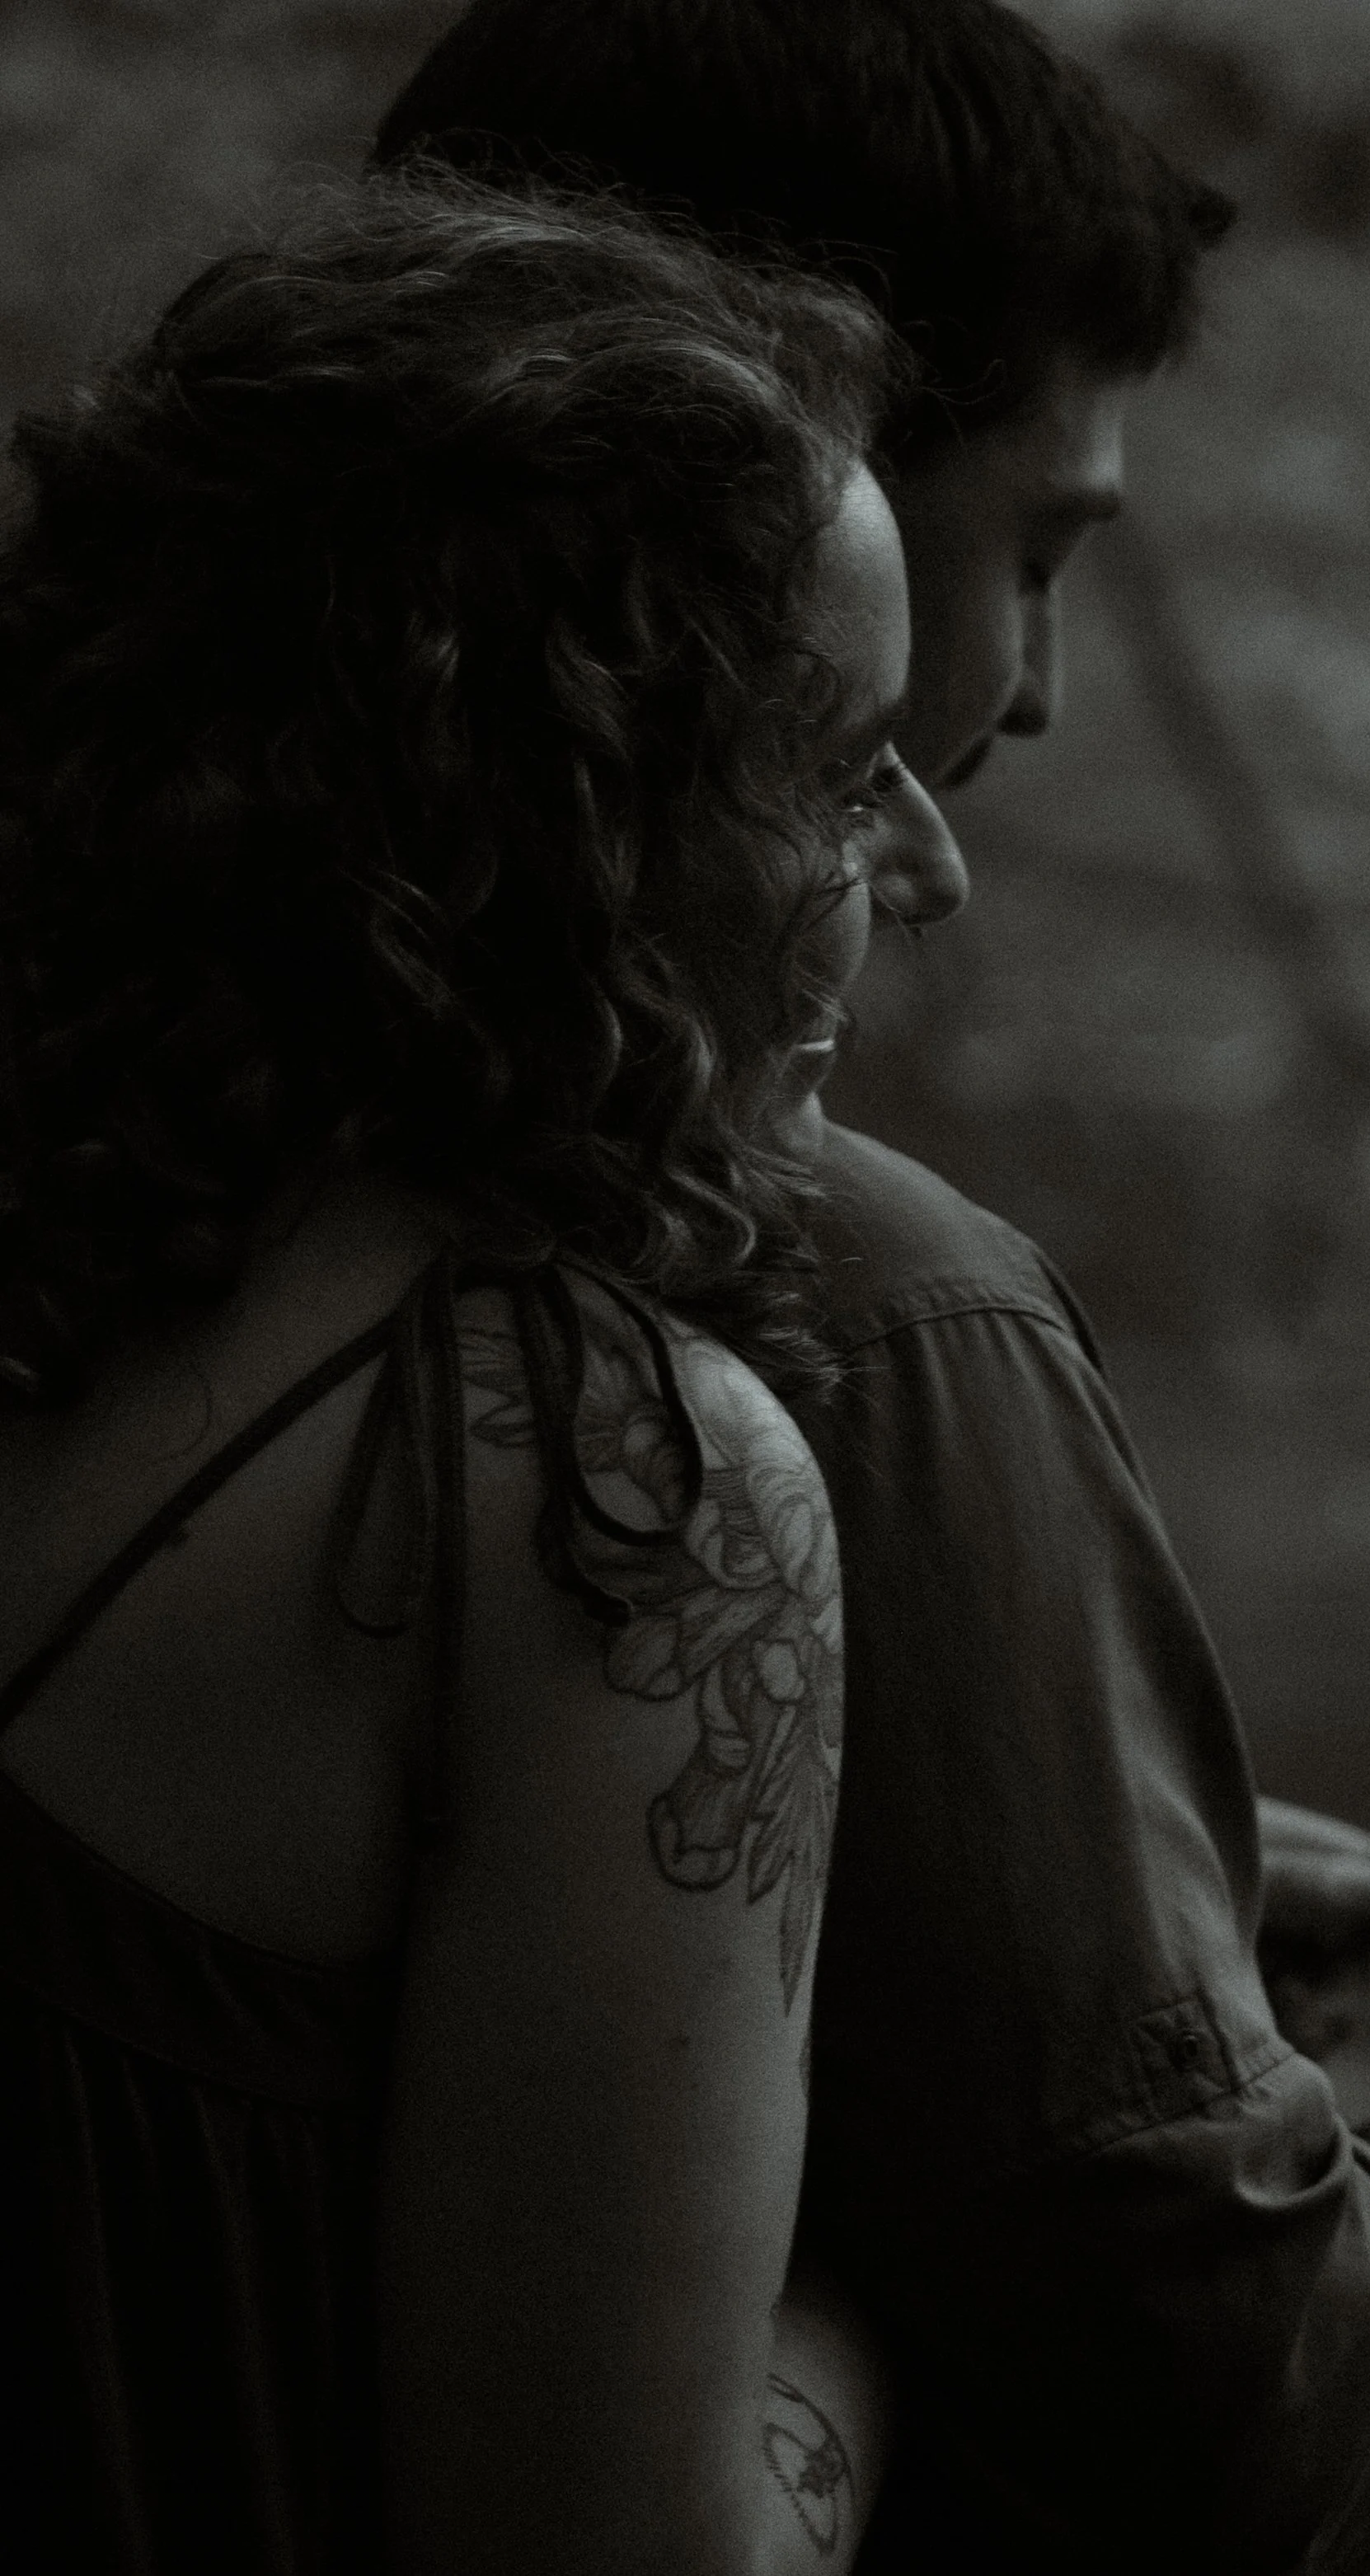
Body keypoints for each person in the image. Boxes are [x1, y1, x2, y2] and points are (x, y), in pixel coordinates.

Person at [374, 5, 1370, 2570]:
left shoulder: (148, 1161)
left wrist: (1089, 1898)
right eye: (1038, 548)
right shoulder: (856, 1307)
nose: (1035, 706)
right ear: (776, 480)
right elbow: (1205, 2365)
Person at [0, 168, 959, 2573]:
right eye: (835, 767)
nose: (923, 867)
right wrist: (874, 2317)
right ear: (557, 806)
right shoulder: (597, 1492)